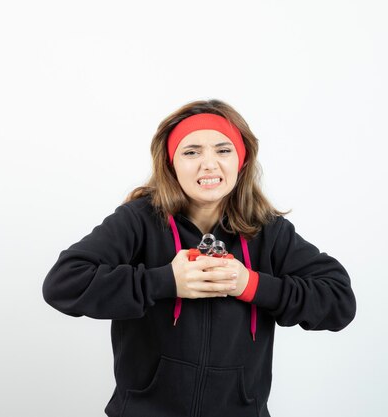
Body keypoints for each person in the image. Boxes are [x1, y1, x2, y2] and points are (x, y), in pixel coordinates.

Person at [42, 99, 357, 417]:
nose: (209, 164)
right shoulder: (138, 220)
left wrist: (250, 284)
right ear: (171, 163)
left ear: (241, 160)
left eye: (223, 150)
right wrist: (166, 281)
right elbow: (64, 282)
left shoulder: (268, 231)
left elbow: (339, 300)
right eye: (191, 152)